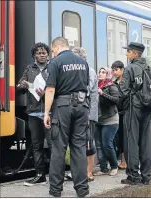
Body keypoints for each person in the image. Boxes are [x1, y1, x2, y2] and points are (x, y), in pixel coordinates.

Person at [44, 37, 90, 198]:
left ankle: (56, 190)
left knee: (59, 148)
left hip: (63, 107)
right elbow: (86, 85)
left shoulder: (55, 62)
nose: (52, 53)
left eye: (52, 50)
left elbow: (50, 89)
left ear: (56, 47)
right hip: (82, 106)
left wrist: (46, 113)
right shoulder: (82, 62)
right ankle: (82, 189)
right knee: (79, 147)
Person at [17, 42, 52, 186]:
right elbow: (20, 86)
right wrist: (22, 85)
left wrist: (46, 93)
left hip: (49, 112)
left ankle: (57, 174)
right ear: (34, 56)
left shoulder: (52, 68)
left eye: (44, 53)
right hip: (33, 111)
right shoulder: (29, 69)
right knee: (37, 145)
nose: (42, 55)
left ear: (48, 55)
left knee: (52, 144)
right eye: (39, 53)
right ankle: (40, 175)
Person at [119, 42, 151, 185]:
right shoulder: (149, 68)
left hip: (133, 108)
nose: (127, 54)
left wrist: (121, 106)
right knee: (146, 142)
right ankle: (146, 175)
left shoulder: (130, 68)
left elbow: (123, 91)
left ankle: (134, 175)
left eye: (129, 52)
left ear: (135, 54)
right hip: (147, 107)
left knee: (131, 141)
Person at [71, 47, 98, 181]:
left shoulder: (90, 71)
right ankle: (79, 171)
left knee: (88, 142)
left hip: (88, 112)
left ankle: (89, 172)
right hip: (79, 110)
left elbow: (86, 88)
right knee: (78, 142)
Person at [93, 67, 120, 176]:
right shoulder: (95, 86)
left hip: (110, 120)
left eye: (103, 72)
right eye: (99, 71)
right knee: (99, 145)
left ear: (108, 74)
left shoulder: (111, 86)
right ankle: (103, 168)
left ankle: (114, 166)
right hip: (98, 119)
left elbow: (116, 100)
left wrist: (102, 93)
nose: (100, 73)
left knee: (107, 144)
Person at [111, 61, 127, 169]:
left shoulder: (126, 82)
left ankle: (124, 161)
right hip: (116, 113)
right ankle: (121, 161)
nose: (114, 72)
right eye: (113, 70)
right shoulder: (113, 83)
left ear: (122, 69)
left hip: (125, 113)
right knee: (117, 138)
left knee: (124, 138)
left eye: (116, 70)